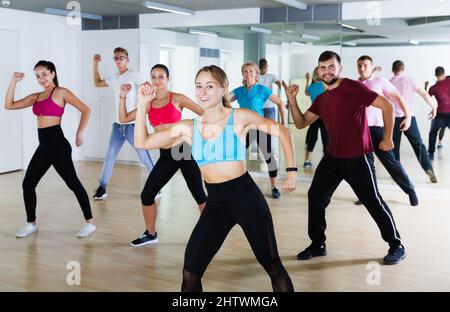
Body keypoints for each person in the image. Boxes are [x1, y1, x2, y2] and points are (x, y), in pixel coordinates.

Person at [134, 65, 297, 292]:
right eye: (199, 86)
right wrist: (142, 103)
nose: (203, 91)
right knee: (190, 272)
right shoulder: (188, 128)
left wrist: (291, 172)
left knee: (272, 265)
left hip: (246, 198)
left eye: (209, 86)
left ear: (223, 89)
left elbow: (282, 131)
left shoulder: (239, 117)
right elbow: (142, 142)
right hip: (216, 204)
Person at [286, 51, 406, 265]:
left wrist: (388, 138)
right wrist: (292, 100)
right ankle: (318, 244)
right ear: (318, 71)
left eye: (331, 66)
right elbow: (302, 122)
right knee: (315, 197)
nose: (327, 71)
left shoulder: (353, 87)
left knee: (373, 201)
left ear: (339, 68)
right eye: (322, 67)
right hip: (333, 157)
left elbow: (386, 106)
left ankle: (396, 244)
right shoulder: (322, 99)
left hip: (358, 157)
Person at [4, 61, 96, 238]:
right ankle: (31, 223)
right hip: (44, 147)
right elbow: (9, 105)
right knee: (28, 183)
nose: (41, 79)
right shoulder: (36, 96)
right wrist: (13, 82)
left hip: (58, 146)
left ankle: (90, 223)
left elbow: (86, 109)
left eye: (44, 74)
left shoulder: (61, 92)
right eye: (37, 75)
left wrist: (79, 134)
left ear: (53, 74)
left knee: (73, 183)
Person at [118, 64, 207, 246]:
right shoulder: (148, 103)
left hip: (183, 151)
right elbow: (124, 118)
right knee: (147, 195)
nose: (157, 81)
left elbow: (204, 114)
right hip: (166, 155)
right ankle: (151, 234)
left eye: (161, 77)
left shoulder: (177, 98)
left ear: (168, 79)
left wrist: (195, 134)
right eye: (154, 77)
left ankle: (213, 233)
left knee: (199, 196)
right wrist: (122, 96)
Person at [92, 47, 156, 200]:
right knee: (110, 156)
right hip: (117, 127)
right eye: (116, 58)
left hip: (133, 125)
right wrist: (95, 64)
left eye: (121, 57)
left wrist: (141, 108)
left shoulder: (133, 75)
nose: (118, 60)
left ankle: (156, 186)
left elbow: (150, 88)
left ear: (127, 60)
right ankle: (102, 187)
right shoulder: (114, 78)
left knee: (144, 158)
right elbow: (97, 83)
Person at [356, 55, 421, 205]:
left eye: (365, 65)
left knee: (391, 163)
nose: (362, 68)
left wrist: (408, 116)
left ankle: (410, 190)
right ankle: (371, 195)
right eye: (359, 65)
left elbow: (398, 98)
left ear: (372, 66)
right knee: (366, 166)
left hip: (377, 130)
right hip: (360, 131)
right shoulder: (355, 84)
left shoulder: (380, 81)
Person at [229, 61, 287, 199]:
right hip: (245, 128)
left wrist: (283, 123)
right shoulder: (239, 91)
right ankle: (234, 185)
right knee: (236, 155)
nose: (248, 73)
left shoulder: (262, 89)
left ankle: (274, 187)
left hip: (260, 126)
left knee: (268, 157)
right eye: (245, 71)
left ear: (256, 74)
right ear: (242, 74)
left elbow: (280, 103)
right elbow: (224, 100)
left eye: (251, 71)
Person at [389, 60, 437, 180]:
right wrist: (434, 107)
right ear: (403, 69)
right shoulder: (410, 80)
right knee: (418, 144)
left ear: (392, 70)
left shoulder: (389, 83)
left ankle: (397, 173)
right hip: (409, 117)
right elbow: (424, 94)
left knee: (394, 146)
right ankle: (428, 168)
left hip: (393, 118)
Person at [303, 67, 328, 168]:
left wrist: (307, 80)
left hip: (314, 114)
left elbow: (306, 92)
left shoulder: (312, 86)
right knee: (326, 137)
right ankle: (327, 162)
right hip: (325, 115)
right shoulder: (325, 86)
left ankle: (307, 161)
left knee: (312, 137)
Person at [428, 67, 450, 160]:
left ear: (435, 75)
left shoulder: (433, 88)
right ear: (444, 74)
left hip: (440, 113)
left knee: (433, 133)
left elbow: (427, 96)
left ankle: (431, 154)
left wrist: (433, 108)